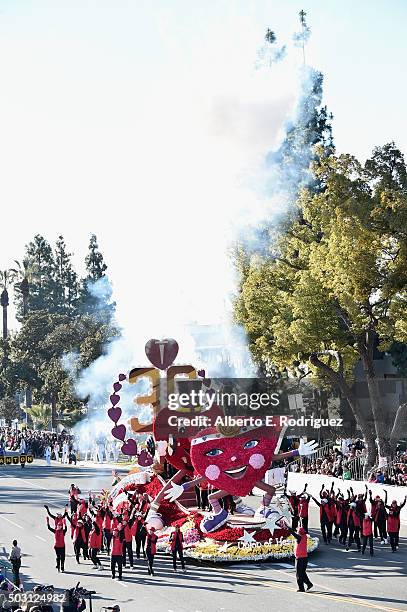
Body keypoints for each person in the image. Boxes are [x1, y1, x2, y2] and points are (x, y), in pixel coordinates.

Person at [286, 524, 313, 592]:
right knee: (303, 573)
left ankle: (301, 588)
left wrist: (288, 529)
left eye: (298, 531)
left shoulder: (299, 537)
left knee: (298, 574)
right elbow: (294, 532)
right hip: (305, 558)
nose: (297, 532)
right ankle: (309, 584)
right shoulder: (304, 536)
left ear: (299, 533)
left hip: (300, 558)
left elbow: (293, 533)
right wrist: (288, 527)